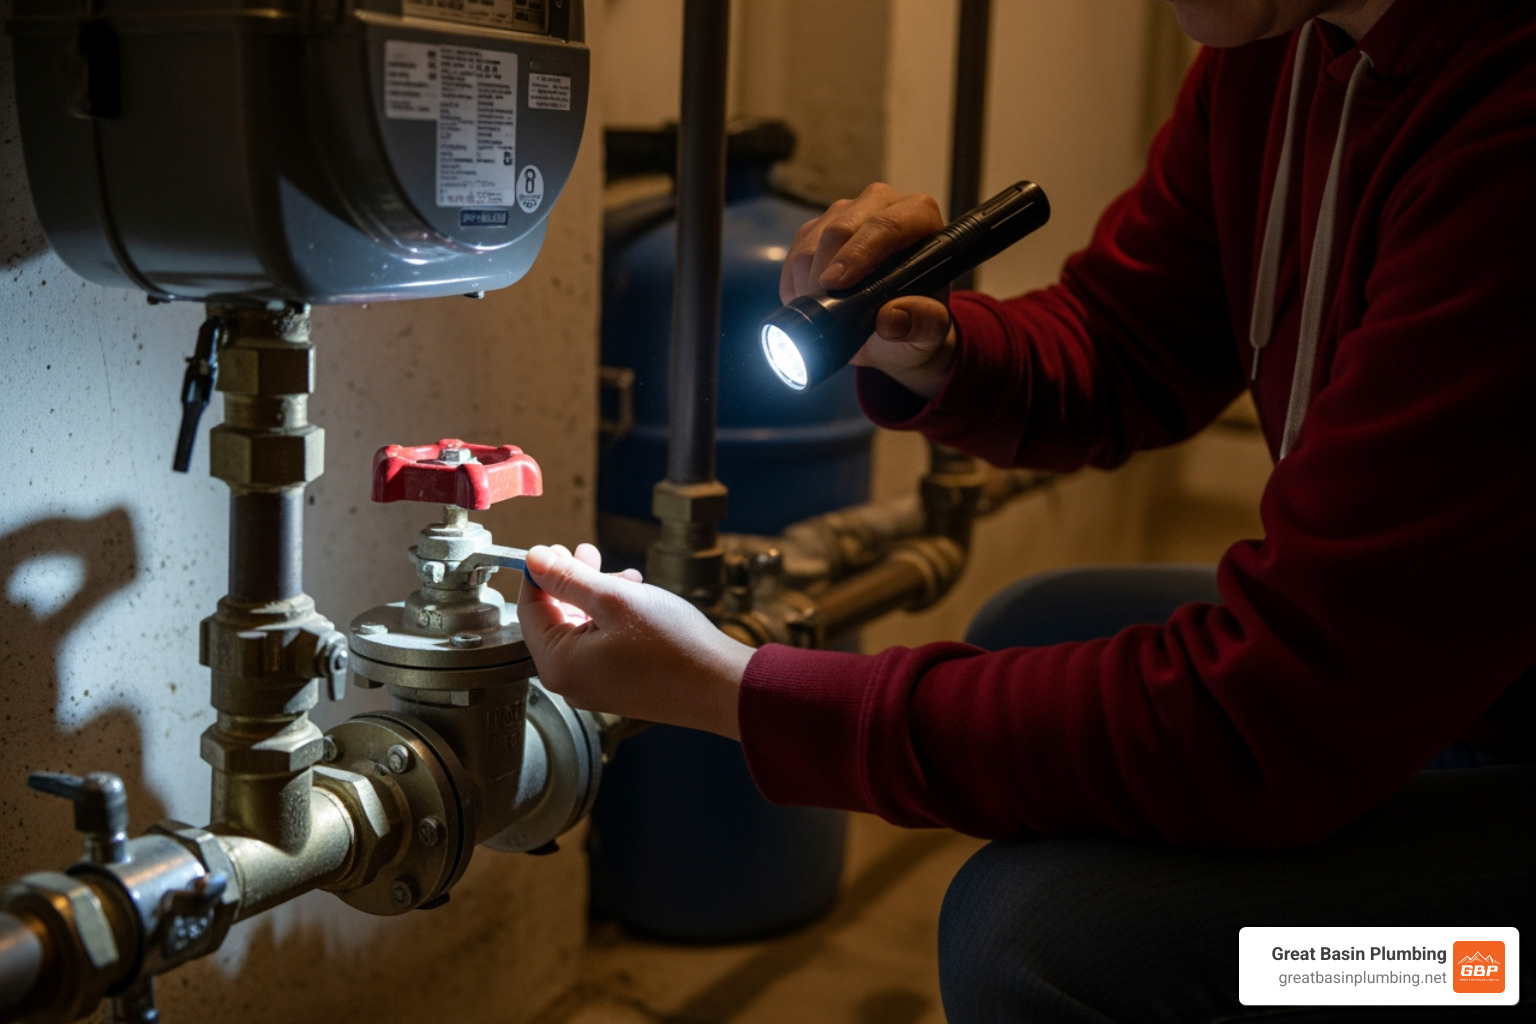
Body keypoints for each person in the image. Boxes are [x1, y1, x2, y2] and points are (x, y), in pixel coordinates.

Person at [520, 0, 1536, 1018]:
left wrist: (734, 690)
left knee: (1043, 940)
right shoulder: (1281, 43)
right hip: (1449, 694)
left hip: (1494, 928)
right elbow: (1128, 341)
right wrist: (935, 347)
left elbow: (1259, 720)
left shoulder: (1507, 127)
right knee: (1030, 625)